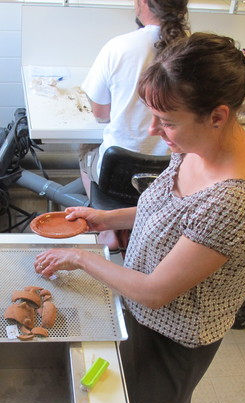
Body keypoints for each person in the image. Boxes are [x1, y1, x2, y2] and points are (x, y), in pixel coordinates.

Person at [34, 33, 245, 403]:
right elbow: (161, 206)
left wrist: (81, 258)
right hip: (140, 312)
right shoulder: (197, 145)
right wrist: (105, 218)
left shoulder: (237, 199)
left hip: (176, 336)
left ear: (218, 115)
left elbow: (154, 291)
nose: (157, 130)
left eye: (166, 121)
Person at [79, 0, 189, 251]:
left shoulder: (119, 47)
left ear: (142, 3)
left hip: (118, 170)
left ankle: (108, 224)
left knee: (86, 147)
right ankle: (122, 222)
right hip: (173, 171)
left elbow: (100, 113)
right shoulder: (196, 51)